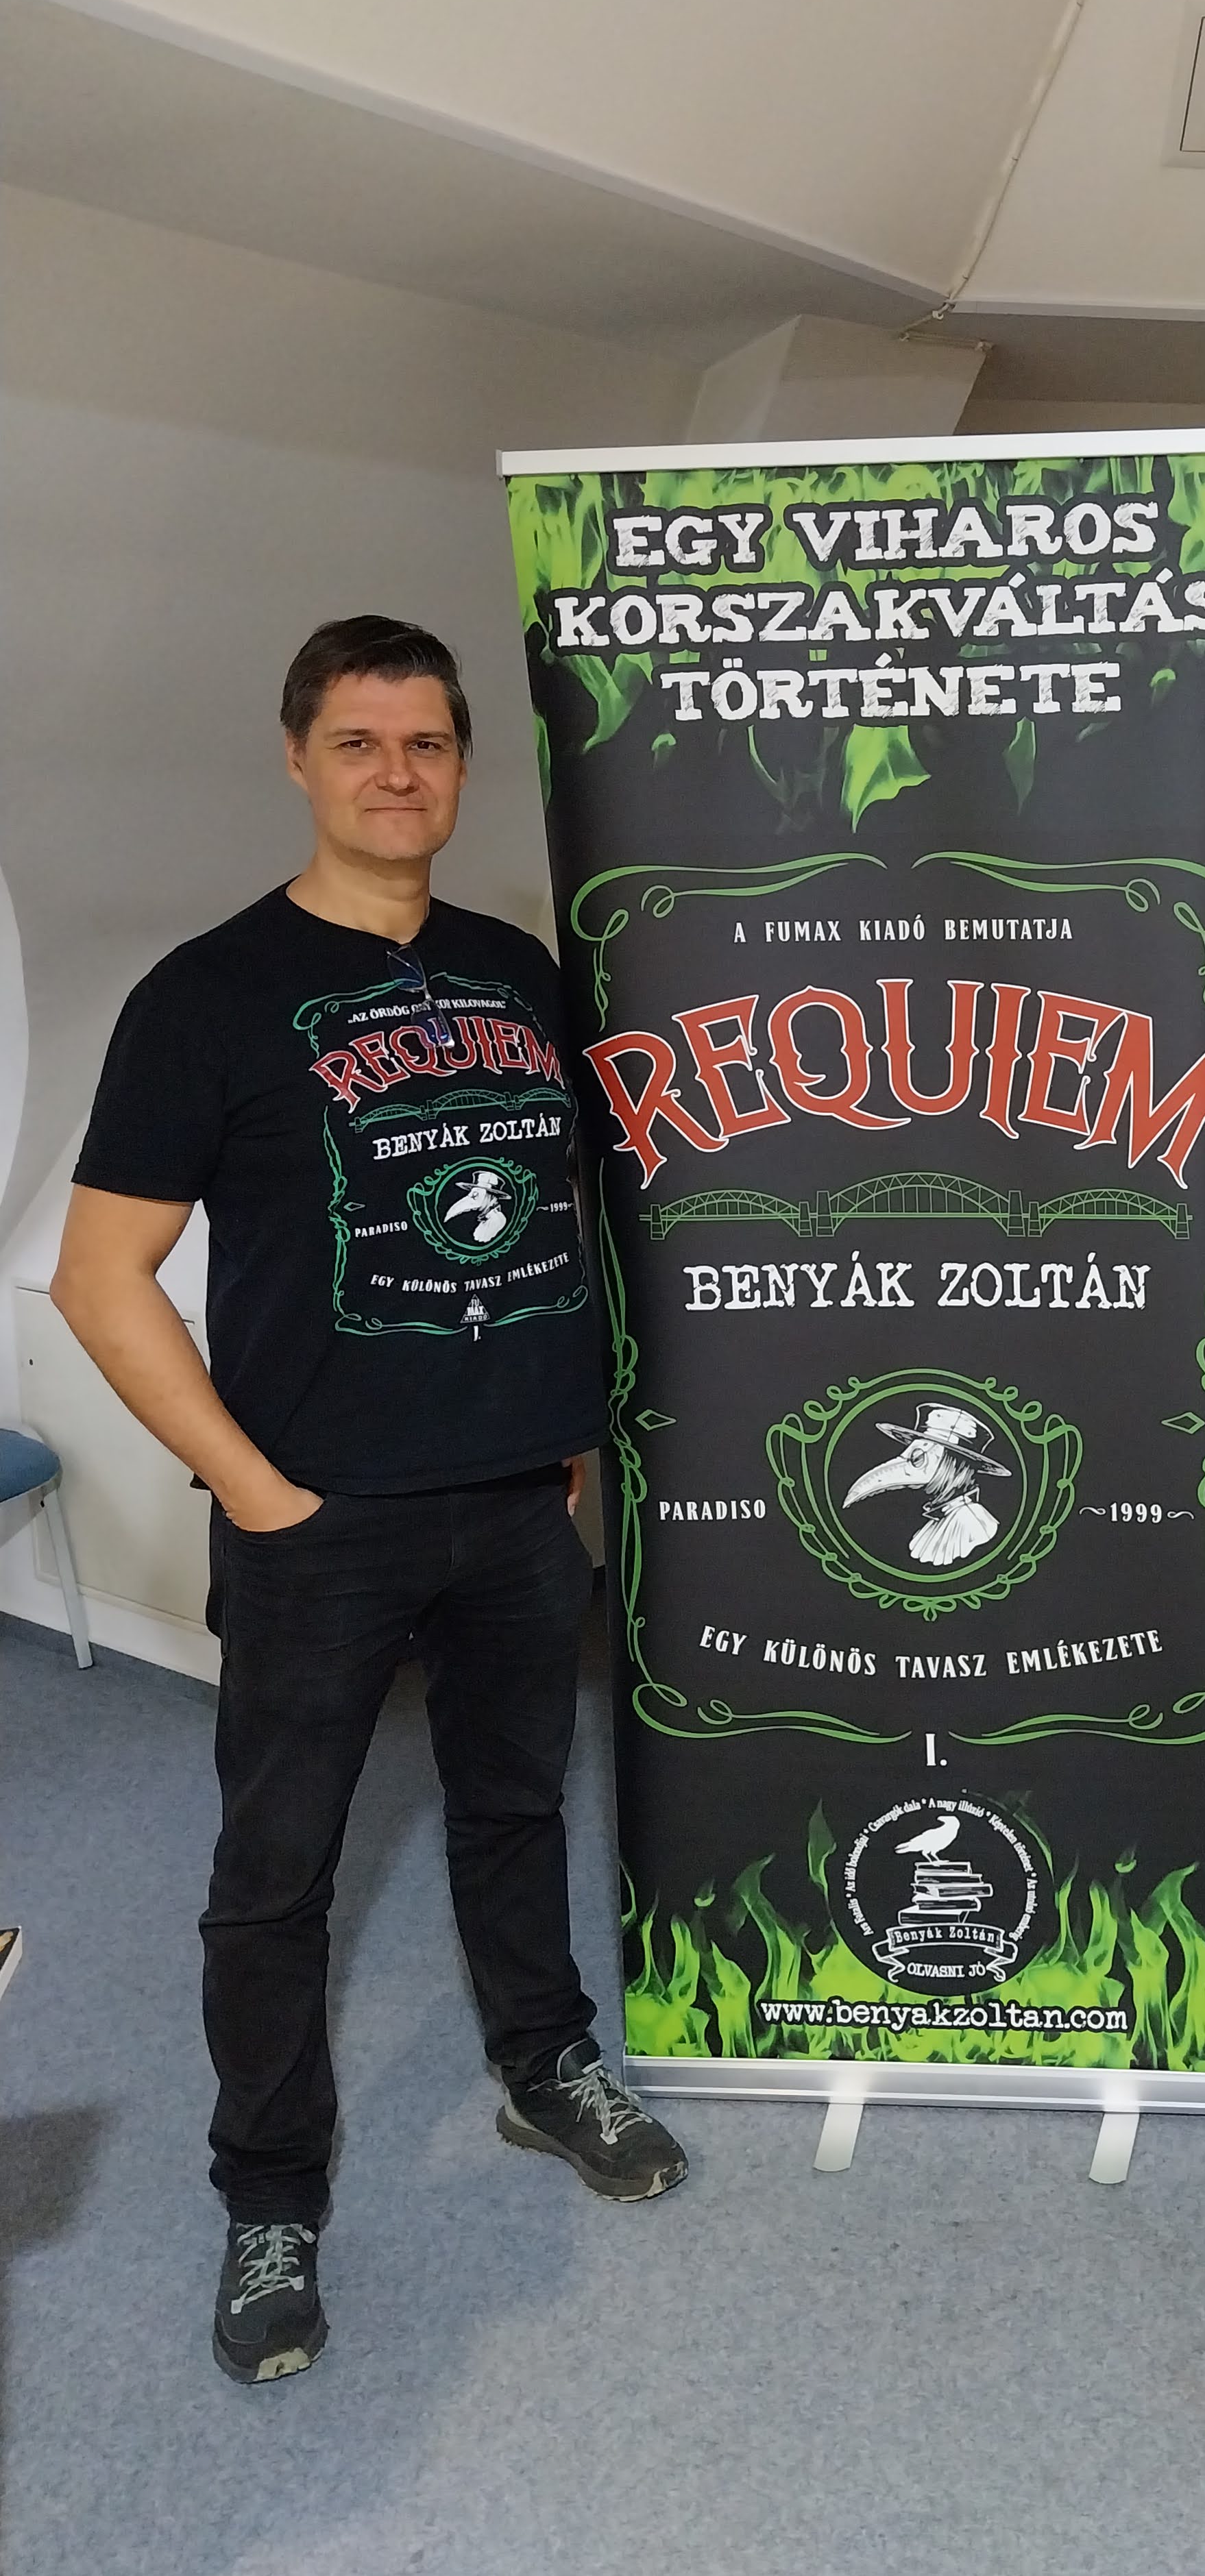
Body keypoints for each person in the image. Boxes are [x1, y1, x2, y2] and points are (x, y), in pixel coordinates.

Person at [53, 615, 687, 2388]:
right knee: (275, 1877)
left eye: (425, 744)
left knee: (515, 1808)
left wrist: (564, 1424)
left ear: (460, 766)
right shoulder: (207, 994)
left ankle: (542, 2063)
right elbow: (101, 1276)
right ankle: (270, 2194)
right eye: (358, 742)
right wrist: (255, 1486)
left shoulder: (518, 972)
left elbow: (559, 1207)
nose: (395, 774)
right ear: (298, 759)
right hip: (317, 1523)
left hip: (515, 1503)